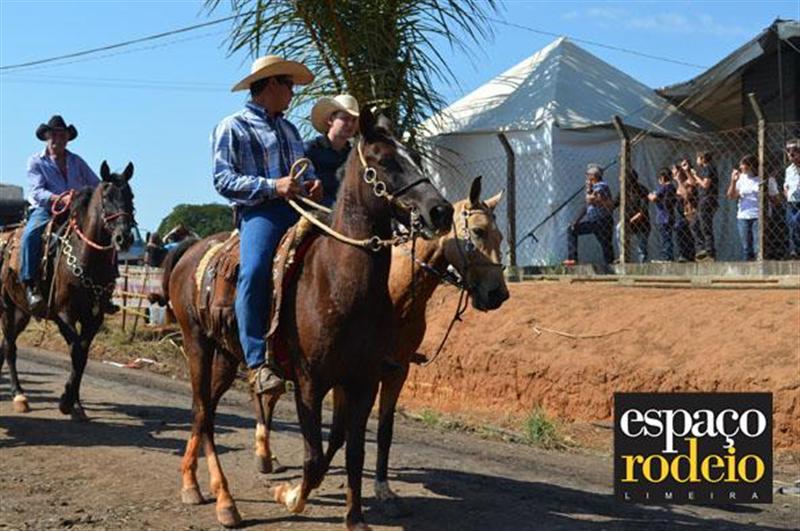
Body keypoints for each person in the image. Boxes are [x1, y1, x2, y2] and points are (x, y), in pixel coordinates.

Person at [212, 55, 323, 395]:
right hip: (260, 212)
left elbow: (303, 170)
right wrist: (273, 186)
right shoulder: (233, 126)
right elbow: (222, 179)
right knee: (255, 269)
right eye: (289, 84)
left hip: (300, 207)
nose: (292, 92)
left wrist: (312, 182)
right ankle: (257, 361)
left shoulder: (290, 129)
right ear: (272, 84)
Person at [21, 115, 100, 311]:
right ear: (47, 137)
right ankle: (30, 284)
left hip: (75, 210)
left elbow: (96, 184)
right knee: (30, 235)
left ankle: (104, 287)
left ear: (67, 138)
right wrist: (59, 198)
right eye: (54, 135)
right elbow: (36, 192)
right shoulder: (36, 161)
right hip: (47, 210)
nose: (58, 139)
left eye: (62, 135)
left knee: (101, 233)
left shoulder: (76, 161)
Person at [305, 94, 359, 207]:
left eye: (354, 120)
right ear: (330, 120)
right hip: (315, 210)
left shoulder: (355, 155)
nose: (350, 124)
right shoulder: (310, 150)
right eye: (345, 118)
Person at [726, 154, 780, 261]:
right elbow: (731, 196)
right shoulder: (741, 178)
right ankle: (748, 268)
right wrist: (733, 181)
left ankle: (760, 266)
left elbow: (777, 200)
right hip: (743, 216)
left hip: (759, 216)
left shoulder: (766, 179)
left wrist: (765, 193)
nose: (740, 167)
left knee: (758, 248)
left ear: (750, 166)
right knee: (746, 248)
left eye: (743, 165)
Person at [563, 164, 615, 265]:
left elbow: (590, 200)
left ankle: (610, 264)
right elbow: (587, 206)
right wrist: (576, 220)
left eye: (588, 174)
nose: (586, 177)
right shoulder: (594, 187)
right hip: (595, 221)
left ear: (594, 176)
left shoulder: (601, 185)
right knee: (572, 229)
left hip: (603, 220)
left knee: (606, 244)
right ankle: (572, 258)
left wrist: (588, 188)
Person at [615, 169, 650, 263]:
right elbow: (613, 204)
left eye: (622, 177)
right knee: (619, 228)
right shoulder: (623, 191)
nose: (619, 179)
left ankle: (642, 265)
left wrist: (628, 222)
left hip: (642, 224)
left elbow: (642, 212)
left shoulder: (642, 190)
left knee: (641, 249)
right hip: (628, 222)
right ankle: (623, 256)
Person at [688, 151, 718, 261]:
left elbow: (705, 184)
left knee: (705, 225)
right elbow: (695, 183)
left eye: (698, 158)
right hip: (702, 200)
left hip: (707, 200)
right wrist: (691, 174)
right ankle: (701, 248)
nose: (696, 161)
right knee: (694, 224)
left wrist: (696, 176)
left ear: (702, 158)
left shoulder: (709, 168)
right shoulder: (703, 170)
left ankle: (710, 251)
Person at [648, 168, 677, 261]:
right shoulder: (672, 187)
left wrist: (650, 195)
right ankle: (668, 256)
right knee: (667, 237)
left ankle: (667, 257)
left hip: (663, 217)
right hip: (670, 215)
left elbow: (653, 197)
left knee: (665, 238)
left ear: (663, 177)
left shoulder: (664, 187)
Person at [673, 160, 696, 262]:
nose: (674, 175)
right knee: (681, 231)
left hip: (688, 213)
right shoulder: (677, 185)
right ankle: (684, 255)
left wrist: (679, 181)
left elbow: (686, 196)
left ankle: (686, 255)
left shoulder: (687, 183)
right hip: (679, 213)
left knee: (681, 229)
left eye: (675, 172)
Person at [784, 139, 800, 258]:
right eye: (788, 151)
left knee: (795, 223)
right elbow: (786, 185)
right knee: (791, 226)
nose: (790, 153)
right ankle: (794, 252)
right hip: (792, 202)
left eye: (794, 150)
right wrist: (787, 193)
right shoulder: (789, 170)